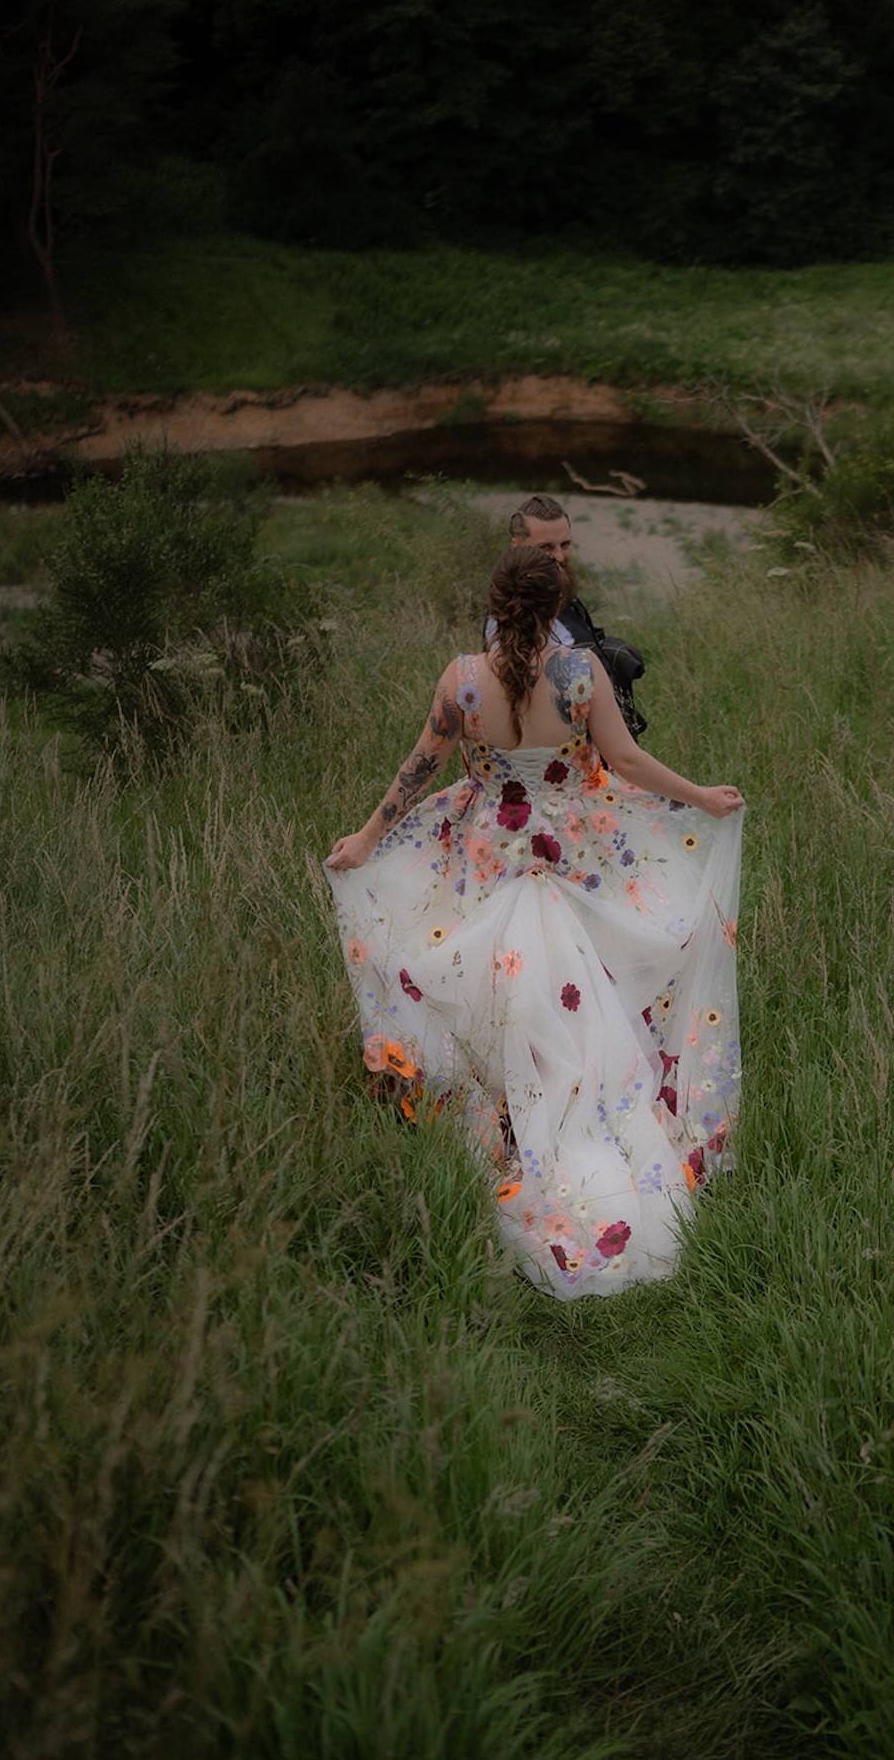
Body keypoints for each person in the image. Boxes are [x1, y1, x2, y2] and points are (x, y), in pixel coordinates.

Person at [325, 543, 744, 1300]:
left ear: (494, 601)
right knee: (584, 993)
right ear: (557, 604)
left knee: (496, 996)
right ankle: (573, 1117)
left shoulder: (462, 679)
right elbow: (625, 763)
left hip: (486, 856)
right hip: (569, 855)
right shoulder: (581, 672)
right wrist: (702, 796)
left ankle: (511, 1122)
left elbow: (416, 767)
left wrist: (365, 839)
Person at [485, 493, 648, 739]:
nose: (559, 556)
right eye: (546, 548)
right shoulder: (509, 609)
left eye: (565, 545)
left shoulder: (560, 591)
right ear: (517, 545)